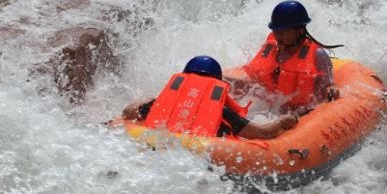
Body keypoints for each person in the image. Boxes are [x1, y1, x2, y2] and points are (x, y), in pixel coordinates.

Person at [122, 56, 298, 140]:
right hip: (202, 158)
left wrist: (151, 100)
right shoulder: (221, 112)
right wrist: (283, 122)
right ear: (216, 85)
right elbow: (262, 133)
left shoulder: (158, 105)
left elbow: (128, 112)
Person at [233, 0, 341, 112]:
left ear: (299, 31)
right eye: (275, 31)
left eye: (282, 32)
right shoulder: (271, 48)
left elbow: (329, 87)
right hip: (270, 107)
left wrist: (331, 91)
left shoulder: (318, 55)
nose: (277, 35)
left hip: (302, 112)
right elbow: (253, 82)